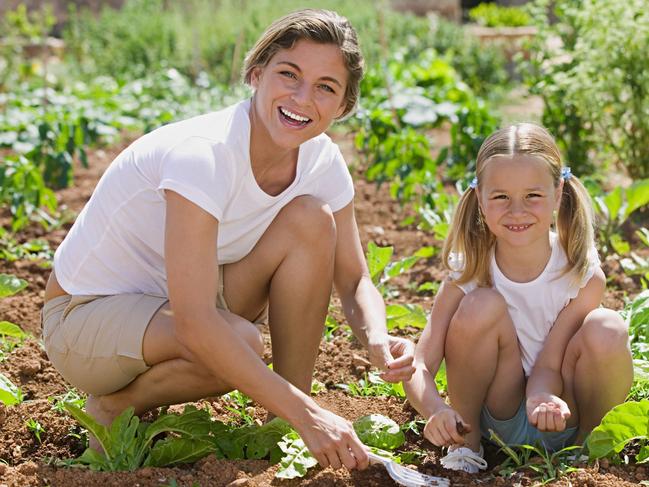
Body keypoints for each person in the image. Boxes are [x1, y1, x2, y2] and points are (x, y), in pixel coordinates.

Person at [41, 9, 415, 471]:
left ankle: (286, 417)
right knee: (236, 341)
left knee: (311, 220)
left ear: (342, 106)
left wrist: (377, 336)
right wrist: (311, 415)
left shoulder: (320, 162)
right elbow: (198, 324)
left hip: (167, 307)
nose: (302, 97)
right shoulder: (205, 154)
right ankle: (116, 407)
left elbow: (355, 278)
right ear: (256, 75)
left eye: (325, 87)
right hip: (85, 319)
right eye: (288, 74)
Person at [404, 123, 633, 473]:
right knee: (482, 305)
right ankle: (466, 445)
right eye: (501, 197)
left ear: (558, 194)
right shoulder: (468, 270)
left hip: (562, 412)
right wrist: (435, 409)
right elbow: (420, 364)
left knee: (607, 326)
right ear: (480, 198)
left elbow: (549, 362)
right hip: (498, 414)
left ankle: (587, 450)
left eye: (532, 196)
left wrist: (541, 397)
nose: (517, 211)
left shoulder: (581, 275)